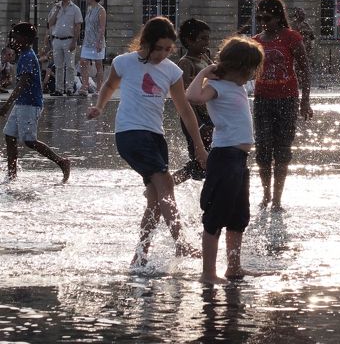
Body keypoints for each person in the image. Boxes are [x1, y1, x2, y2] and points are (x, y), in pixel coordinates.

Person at [87, 16, 208, 266]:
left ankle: (140, 255)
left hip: (155, 136)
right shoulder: (124, 62)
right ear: (146, 43)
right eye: (159, 48)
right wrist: (99, 106)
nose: (163, 54)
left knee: (155, 199)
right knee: (166, 185)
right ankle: (181, 243)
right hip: (130, 134)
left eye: (168, 49)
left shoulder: (172, 71)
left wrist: (199, 146)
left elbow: (185, 110)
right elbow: (110, 86)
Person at [185, 35, 264, 283]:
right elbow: (192, 97)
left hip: (239, 159)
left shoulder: (238, 87)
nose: (253, 74)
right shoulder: (216, 86)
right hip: (224, 157)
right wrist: (205, 73)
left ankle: (234, 267)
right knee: (216, 215)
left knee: (238, 216)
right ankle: (208, 273)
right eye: (251, 69)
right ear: (239, 67)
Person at [253, 0, 312, 210]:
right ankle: (266, 194)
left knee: (283, 149)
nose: (263, 23)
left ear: (278, 17)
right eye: (259, 19)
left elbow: (305, 70)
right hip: (262, 100)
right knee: (262, 149)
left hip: (287, 100)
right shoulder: (256, 41)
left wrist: (305, 101)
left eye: (267, 18)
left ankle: (277, 198)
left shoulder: (292, 38)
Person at [0, 22, 70, 182]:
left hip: (30, 104)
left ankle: (62, 162)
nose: (13, 40)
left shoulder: (28, 57)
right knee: (9, 136)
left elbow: (22, 84)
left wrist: (6, 105)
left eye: (15, 37)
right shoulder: (25, 54)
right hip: (22, 103)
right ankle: (12, 175)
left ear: (25, 39)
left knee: (29, 141)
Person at [172, 18, 214, 185]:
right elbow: (184, 98)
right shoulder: (185, 63)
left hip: (209, 118)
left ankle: (211, 196)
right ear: (189, 41)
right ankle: (167, 183)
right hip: (195, 120)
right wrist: (199, 126)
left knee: (210, 161)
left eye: (207, 38)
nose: (207, 42)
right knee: (200, 161)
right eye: (202, 38)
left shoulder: (206, 56)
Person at [47, 0, 83, 96]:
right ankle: (59, 89)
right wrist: (57, 10)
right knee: (58, 66)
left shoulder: (75, 9)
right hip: (57, 40)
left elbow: (78, 26)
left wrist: (74, 41)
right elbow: (50, 23)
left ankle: (69, 88)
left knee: (70, 66)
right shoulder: (56, 8)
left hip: (69, 39)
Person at [79, 0, 107, 97]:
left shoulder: (101, 10)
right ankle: (85, 86)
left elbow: (102, 27)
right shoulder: (90, 8)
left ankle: (99, 89)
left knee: (98, 64)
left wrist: (99, 41)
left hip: (97, 41)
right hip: (87, 41)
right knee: (82, 63)